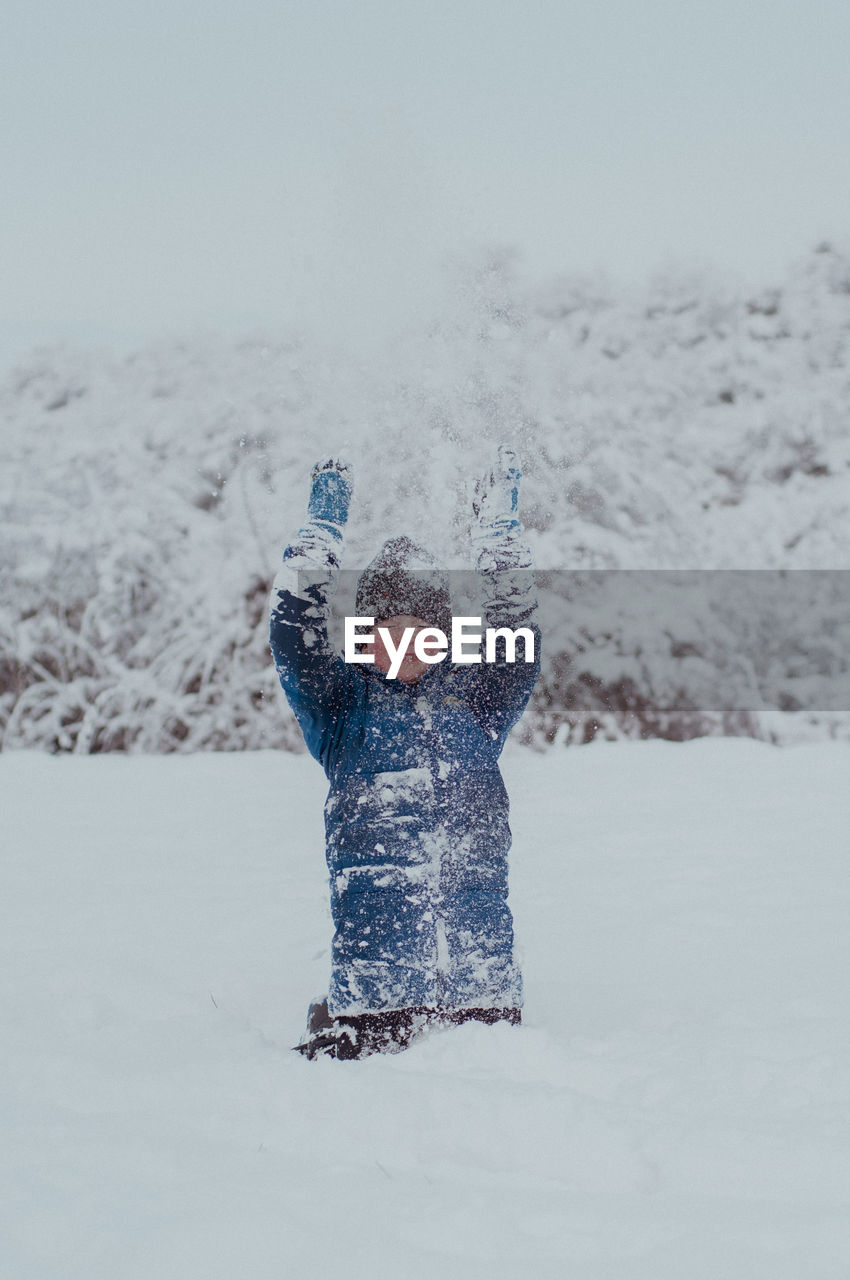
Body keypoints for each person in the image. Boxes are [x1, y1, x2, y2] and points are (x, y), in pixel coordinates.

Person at [269, 448, 540, 1059]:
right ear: (368, 630)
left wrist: (500, 541)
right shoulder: (342, 709)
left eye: (424, 626)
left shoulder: (477, 704)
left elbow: (516, 633)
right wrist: (319, 536)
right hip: (376, 1001)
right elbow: (293, 635)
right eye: (390, 624)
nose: (407, 639)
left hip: (485, 995)